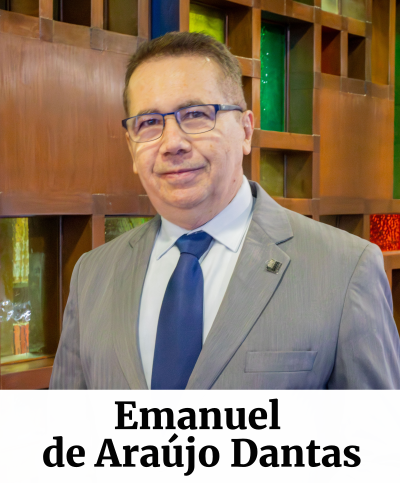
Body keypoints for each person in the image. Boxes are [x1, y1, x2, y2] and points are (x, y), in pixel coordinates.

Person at [50, 32, 400, 390]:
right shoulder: (92, 275)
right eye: (150, 122)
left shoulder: (345, 270)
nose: (172, 144)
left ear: (246, 131)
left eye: (196, 115)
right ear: (131, 147)